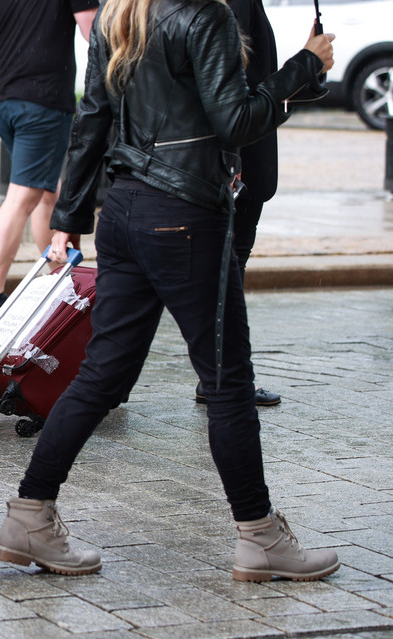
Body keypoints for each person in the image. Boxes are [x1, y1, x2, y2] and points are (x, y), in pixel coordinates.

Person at [0, 0, 340, 582]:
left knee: (101, 376)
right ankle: (260, 538)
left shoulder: (119, 12)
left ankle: (29, 513)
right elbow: (235, 122)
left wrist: (70, 216)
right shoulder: (206, 15)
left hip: (124, 211)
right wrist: (305, 66)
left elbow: (92, 120)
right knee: (227, 383)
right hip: (186, 217)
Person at [0, 0, 98, 325]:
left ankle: (59, 281)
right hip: (42, 102)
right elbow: (95, 32)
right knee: (23, 196)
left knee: (46, 192)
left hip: (2, 100)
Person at [193, 0, 282, 408]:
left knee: (228, 268)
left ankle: (218, 376)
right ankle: (222, 378)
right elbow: (234, 73)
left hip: (242, 149)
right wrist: (234, 158)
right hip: (240, 153)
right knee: (228, 269)